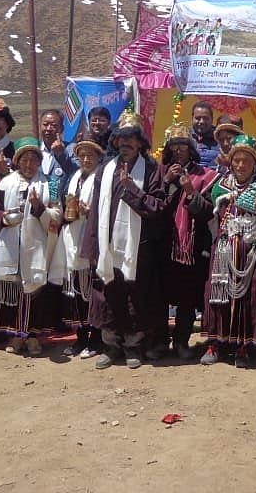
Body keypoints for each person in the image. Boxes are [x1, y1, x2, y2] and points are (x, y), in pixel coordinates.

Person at [81, 111, 168, 369]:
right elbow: (96, 211)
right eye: (122, 139)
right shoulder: (105, 170)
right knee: (108, 296)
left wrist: (132, 190)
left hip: (138, 250)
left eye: (132, 139)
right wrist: (93, 246)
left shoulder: (152, 170)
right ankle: (111, 345)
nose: (127, 144)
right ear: (116, 141)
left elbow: (157, 208)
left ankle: (133, 346)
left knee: (135, 298)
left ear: (141, 142)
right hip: (107, 247)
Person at [195, 134, 256, 367]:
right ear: (230, 162)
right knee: (217, 295)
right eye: (237, 160)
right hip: (223, 251)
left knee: (248, 297)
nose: (241, 165)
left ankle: (244, 346)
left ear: (255, 163)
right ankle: (216, 344)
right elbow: (211, 217)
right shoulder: (220, 186)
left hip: (251, 254)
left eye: (247, 160)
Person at [0, 137, 64, 356]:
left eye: (33, 160)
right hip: (11, 245)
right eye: (24, 160)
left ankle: (32, 335)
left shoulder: (50, 183)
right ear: (17, 161)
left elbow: (57, 216)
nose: (29, 165)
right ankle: (15, 335)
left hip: (38, 245)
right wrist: (6, 218)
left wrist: (40, 208)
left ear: (40, 162)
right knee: (14, 291)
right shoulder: (5, 183)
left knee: (35, 290)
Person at [156, 123, 216, 360]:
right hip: (164, 243)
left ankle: (181, 341)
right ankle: (161, 341)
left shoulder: (206, 176)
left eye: (183, 147)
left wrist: (191, 192)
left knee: (187, 298)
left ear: (191, 150)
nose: (178, 152)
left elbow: (209, 212)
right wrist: (166, 183)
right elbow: (152, 205)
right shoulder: (160, 173)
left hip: (192, 247)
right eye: (174, 148)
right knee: (160, 295)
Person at [50, 139, 105, 358]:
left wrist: (91, 210)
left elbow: (108, 209)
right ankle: (80, 337)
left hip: (91, 239)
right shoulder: (72, 178)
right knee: (75, 294)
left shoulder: (101, 179)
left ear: (99, 157)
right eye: (82, 155)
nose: (86, 159)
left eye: (90, 155)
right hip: (71, 237)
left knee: (93, 292)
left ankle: (96, 339)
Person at [38, 109, 78, 180]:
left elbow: (77, 172)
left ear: (61, 129)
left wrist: (61, 155)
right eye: (45, 124)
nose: (48, 128)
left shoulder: (73, 149)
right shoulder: (34, 150)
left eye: (53, 125)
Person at [190, 101, 219, 168]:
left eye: (205, 118)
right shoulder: (184, 137)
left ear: (212, 119)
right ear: (192, 118)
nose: (202, 122)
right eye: (198, 118)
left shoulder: (220, 139)